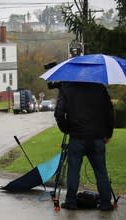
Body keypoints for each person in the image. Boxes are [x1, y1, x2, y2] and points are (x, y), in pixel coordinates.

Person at [54, 82, 114, 211]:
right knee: (101, 172)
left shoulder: (67, 88)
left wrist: (66, 129)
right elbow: (109, 112)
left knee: (73, 171)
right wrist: (108, 133)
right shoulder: (100, 88)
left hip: (77, 137)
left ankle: (70, 201)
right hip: (97, 137)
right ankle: (105, 203)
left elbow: (59, 113)